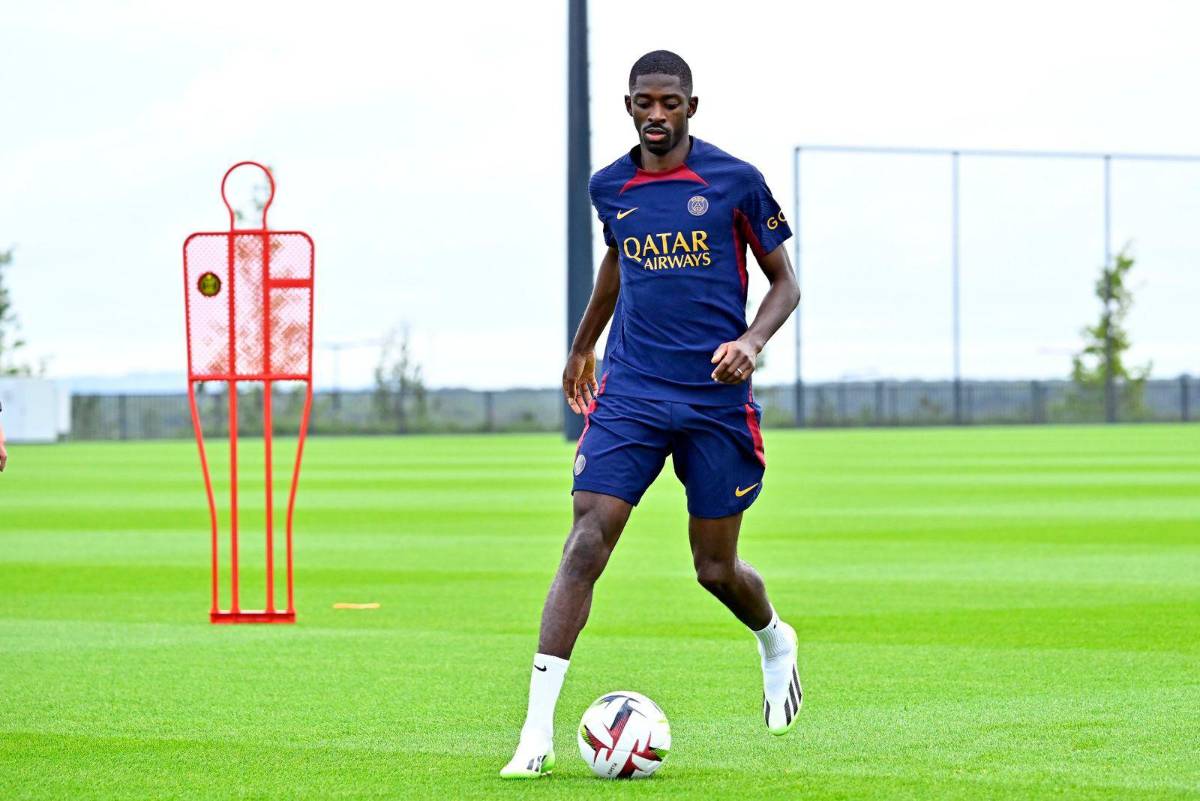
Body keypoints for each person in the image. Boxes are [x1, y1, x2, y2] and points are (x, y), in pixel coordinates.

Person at [501, 50, 802, 779]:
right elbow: (618, 262)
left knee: (714, 567)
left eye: (670, 103)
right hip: (633, 392)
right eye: (644, 102)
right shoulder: (612, 186)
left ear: (691, 108)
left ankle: (773, 638)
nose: (656, 114)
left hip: (713, 398)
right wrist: (583, 347)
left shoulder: (735, 180)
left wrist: (751, 341)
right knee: (586, 539)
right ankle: (534, 735)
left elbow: (786, 284)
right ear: (629, 106)